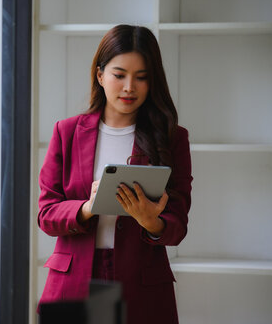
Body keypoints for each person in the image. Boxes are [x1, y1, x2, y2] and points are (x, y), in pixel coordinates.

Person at [37, 24, 192, 324]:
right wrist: (86, 208)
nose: (129, 87)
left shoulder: (172, 137)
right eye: (119, 75)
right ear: (100, 75)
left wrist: (152, 222)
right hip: (76, 276)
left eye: (142, 77)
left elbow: (178, 225)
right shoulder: (67, 132)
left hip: (139, 280)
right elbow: (46, 214)